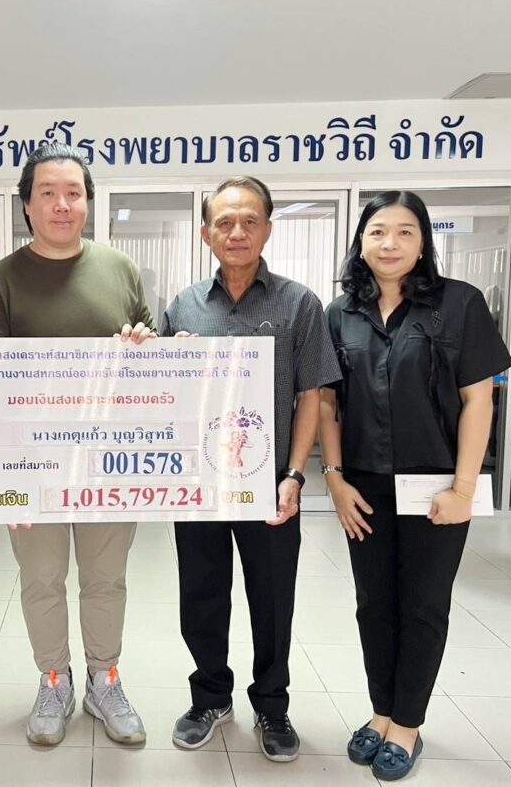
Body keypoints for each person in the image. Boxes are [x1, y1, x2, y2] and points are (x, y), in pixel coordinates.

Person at [318, 191, 511, 780]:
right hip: (365, 486)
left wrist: (464, 488)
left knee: (423, 606)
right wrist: (334, 479)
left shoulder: (460, 303)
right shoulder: (341, 312)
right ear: (361, 241)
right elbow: (328, 404)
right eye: (378, 231)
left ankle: (407, 724)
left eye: (405, 232)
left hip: (437, 486)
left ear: (424, 241)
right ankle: (381, 712)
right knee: (373, 605)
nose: (390, 243)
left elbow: (479, 400)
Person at [0, 143, 153, 747]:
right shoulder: (0, 282)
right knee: (43, 578)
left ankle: (105, 679)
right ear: (26, 205)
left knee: (106, 578)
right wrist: (3, 482)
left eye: (73, 193)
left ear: (88, 203)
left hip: (108, 462)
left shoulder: (121, 270)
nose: (61, 204)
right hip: (32, 466)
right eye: (47, 193)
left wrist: (143, 345)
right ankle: (54, 679)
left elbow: (154, 364)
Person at [162, 176, 341, 761]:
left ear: (267, 229)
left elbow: (312, 395)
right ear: (206, 233)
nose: (236, 232)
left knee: (272, 599)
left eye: (249, 221)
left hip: (270, 487)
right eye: (224, 222)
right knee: (202, 596)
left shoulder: (299, 304)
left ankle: (272, 705)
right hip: (199, 486)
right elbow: (161, 392)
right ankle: (210, 696)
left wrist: (295, 476)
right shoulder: (184, 306)